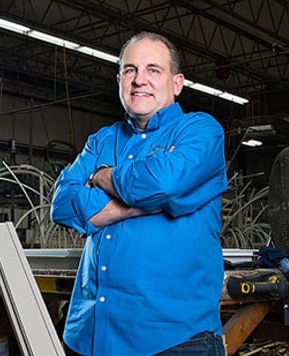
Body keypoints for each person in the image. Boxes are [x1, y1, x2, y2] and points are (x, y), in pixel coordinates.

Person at [51, 32, 228, 355]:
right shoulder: (101, 140)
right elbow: (61, 204)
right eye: (130, 70)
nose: (139, 80)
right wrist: (134, 206)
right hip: (89, 333)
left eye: (153, 70)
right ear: (119, 80)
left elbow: (163, 184)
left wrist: (101, 176)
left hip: (174, 339)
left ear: (177, 83)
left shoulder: (201, 131)